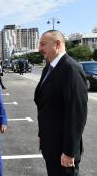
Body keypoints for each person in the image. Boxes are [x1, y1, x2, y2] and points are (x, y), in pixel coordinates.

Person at [34, 30, 88, 176]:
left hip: (63, 150)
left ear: (57, 44)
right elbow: (45, 106)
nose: (39, 48)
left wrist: (69, 151)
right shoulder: (48, 68)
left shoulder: (70, 69)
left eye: (43, 44)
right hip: (51, 144)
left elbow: (77, 114)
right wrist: (42, 135)